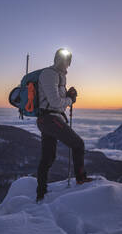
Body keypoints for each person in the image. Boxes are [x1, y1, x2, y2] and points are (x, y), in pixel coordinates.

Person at [36, 48, 92, 202]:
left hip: (49, 119)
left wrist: (67, 96)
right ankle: (81, 178)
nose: (65, 63)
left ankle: (41, 193)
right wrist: (70, 100)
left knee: (48, 157)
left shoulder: (59, 77)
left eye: (67, 60)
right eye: (62, 59)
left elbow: (57, 102)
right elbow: (55, 103)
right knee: (78, 144)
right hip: (50, 119)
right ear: (56, 59)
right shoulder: (50, 74)